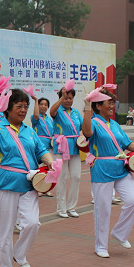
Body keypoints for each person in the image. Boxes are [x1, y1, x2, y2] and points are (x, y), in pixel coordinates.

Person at [0, 89, 54, 267]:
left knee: (32, 222)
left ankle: (19, 255)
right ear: (8, 108)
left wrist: (51, 162)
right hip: (6, 184)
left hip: (29, 183)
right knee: (5, 229)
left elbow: (41, 151)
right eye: (19, 106)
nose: (23, 110)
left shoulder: (29, 130)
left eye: (26, 106)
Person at [81, 88, 134, 258]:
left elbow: (127, 144)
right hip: (102, 170)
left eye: (113, 102)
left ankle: (120, 233)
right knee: (103, 209)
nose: (113, 106)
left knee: (133, 200)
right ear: (98, 106)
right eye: (109, 102)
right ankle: (101, 246)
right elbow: (87, 132)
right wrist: (86, 107)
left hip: (120, 168)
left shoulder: (114, 124)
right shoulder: (94, 122)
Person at [50, 87, 83, 218]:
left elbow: (82, 127)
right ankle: (61, 208)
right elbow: (51, 111)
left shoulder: (75, 112)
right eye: (65, 98)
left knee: (77, 177)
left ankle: (72, 207)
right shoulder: (58, 110)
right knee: (62, 178)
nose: (68, 100)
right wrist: (61, 98)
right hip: (61, 147)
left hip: (75, 147)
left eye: (70, 98)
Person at [30, 95, 55, 197]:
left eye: (46, 105)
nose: (43, 106)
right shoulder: (35, 117)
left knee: (48, 168)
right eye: (41, 104)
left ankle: (46, 187)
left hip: (50, 145)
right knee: (39, 168)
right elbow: (36, 115)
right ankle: (38, 187)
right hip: (39, 146)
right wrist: (35, 100)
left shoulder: (49, 119)